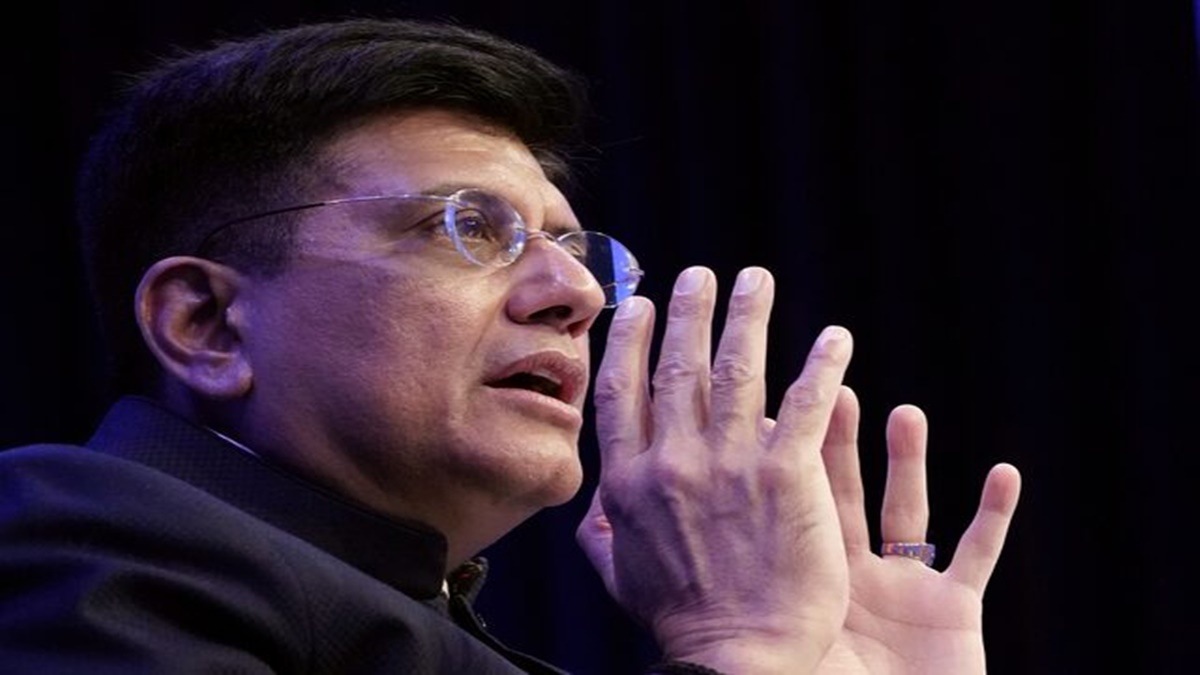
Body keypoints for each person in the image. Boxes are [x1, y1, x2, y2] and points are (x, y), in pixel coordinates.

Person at [0, 16, 1021, 674]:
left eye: (576, 250)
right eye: (470, 228)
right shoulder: (73, 539)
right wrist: (738, 648)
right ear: (206, 324)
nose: (575, 294)